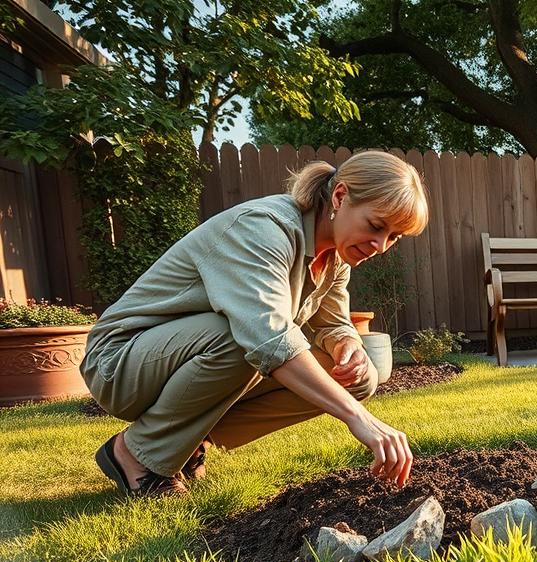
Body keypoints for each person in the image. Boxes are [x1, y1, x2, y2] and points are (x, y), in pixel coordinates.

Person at [81, 150, 426, 498]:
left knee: (359, 377)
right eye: (376, 226)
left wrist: (345, 345)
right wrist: (358, 418)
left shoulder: (335, 257)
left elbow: (333, 323)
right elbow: (268, 336)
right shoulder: (263, 228)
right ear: (340, 196)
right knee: (241, 338)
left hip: (181, 358)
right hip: (120, 362)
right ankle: (137, 453)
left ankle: (187, 439)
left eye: (394, 237)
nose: (380, 246)